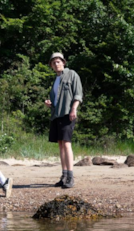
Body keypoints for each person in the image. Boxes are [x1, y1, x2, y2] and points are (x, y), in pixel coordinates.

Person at [44, 53, 83, 189]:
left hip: (68, 114)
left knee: (66, 144)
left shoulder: (72, 74)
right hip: (56, 115)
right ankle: (64, 175)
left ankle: (71, 177)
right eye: (53, 63)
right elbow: (56, 99)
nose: (56, 64)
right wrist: (50, 104)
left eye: (58, 61)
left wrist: (74, 109)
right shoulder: (55, 79)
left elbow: (78, 94)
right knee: (60, 144)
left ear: (63, 62)